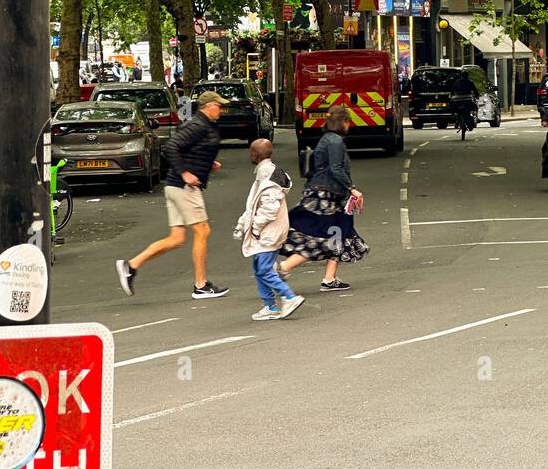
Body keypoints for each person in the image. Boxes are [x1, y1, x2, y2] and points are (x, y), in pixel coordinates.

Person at [116, 90, 231, 299]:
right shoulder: (197, 125)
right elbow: (171, 147)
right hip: (183, 187)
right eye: (218, 105)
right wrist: (185, 173)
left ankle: (131, 266)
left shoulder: (203, 125)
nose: (221, 109)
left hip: (174, 186)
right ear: (207, 106)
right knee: (202, 230)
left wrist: (207, 164)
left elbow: (189, 149)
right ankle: (201, 285)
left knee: (177, 238)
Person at [278, 106, 368, 292]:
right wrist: (352, 189)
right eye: (348, 122)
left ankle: (329, 278)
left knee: (338, 233)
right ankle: (282, 268)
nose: (349, 125)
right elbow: (336, 168)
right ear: (343, 122)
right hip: (324, 195)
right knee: (319, 236)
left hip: (332, 195)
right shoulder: (335, 141)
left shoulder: (328, 139)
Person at [234, 138, 304, 320]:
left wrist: (255, 227)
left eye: (251, 151)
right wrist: (243, 224)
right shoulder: (267, 172)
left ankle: (289, 296)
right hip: (268, 230)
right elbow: (254, 204)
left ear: (255, 154)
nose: (249, 154)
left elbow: (268, 208)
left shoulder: (266, 175)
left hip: (268, 232)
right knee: (259, 268)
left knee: (264, 269)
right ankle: (269, 306)